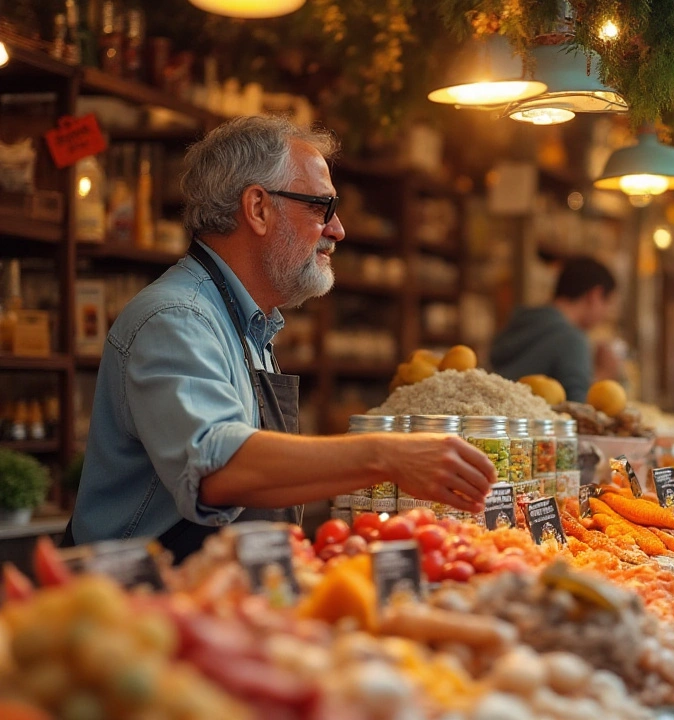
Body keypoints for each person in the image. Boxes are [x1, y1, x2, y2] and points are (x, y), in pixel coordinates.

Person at [68, 117, 496, 561]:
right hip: (139, 608)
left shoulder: (247, 323)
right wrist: (386, 456)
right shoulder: (177, 318)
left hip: (220, 594)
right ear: (257, 208)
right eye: (321, 207)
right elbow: (218, 466)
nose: (337, 230)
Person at [491, 256, 616, 404]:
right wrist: (605, 373)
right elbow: (579, 410)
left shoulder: (518, 321)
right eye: (607, 303)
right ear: (594, 296)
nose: (606, 313)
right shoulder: (572, 339)